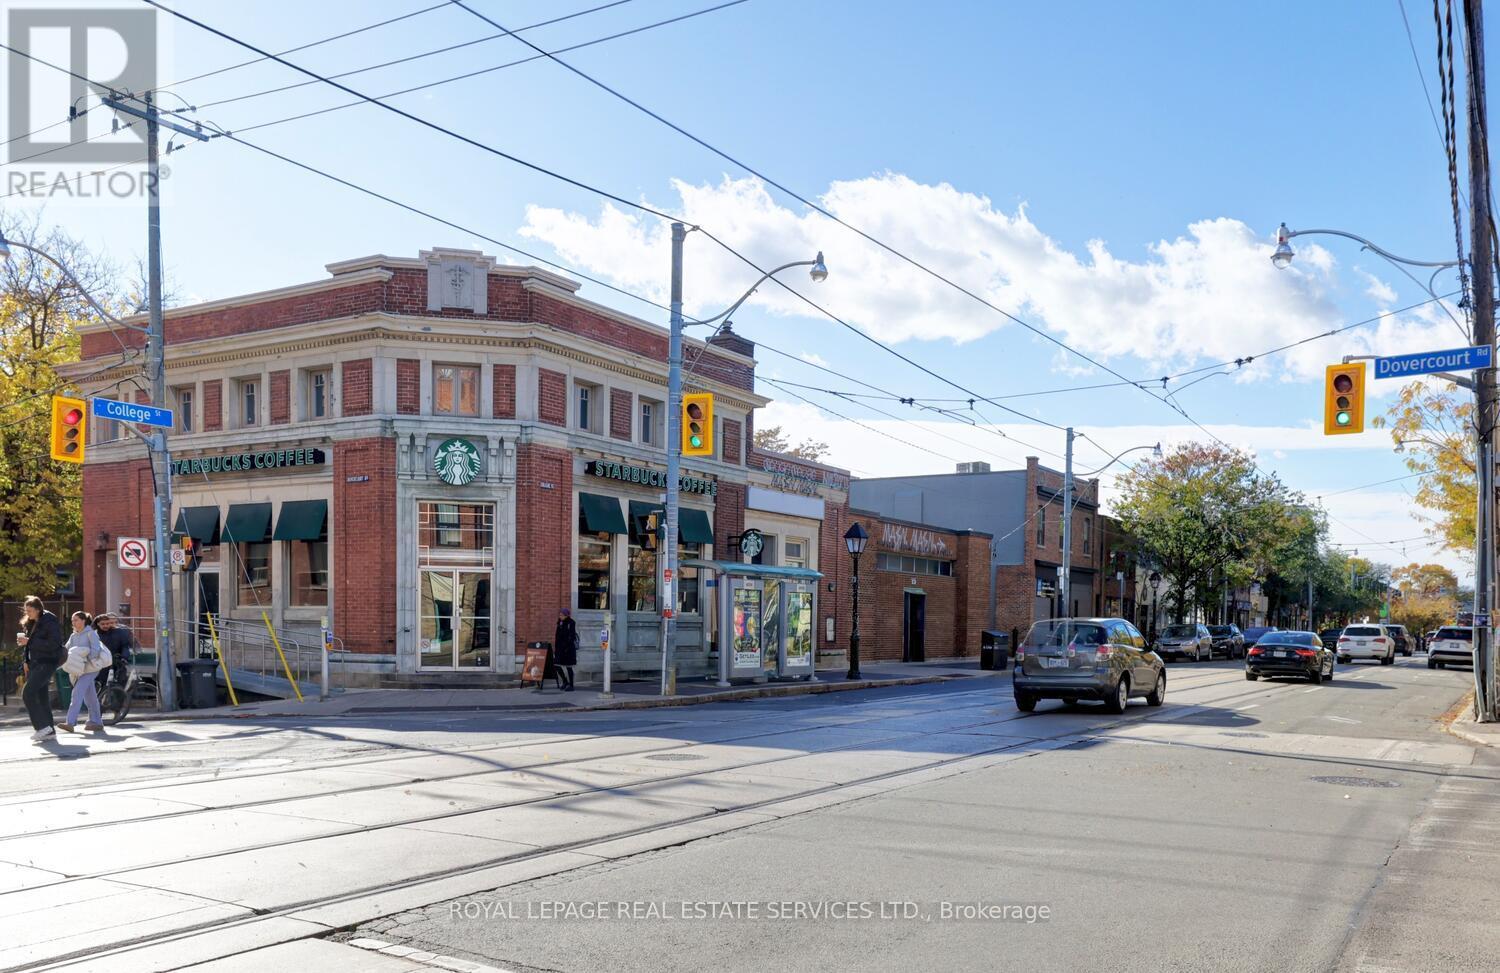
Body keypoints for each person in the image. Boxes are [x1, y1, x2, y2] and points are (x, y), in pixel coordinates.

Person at [17, 595, 65, 742]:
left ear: (38, 609)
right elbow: (29, 646)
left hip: (47, 662)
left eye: (30, 611)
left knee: (28, 693)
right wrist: (25, 661)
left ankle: (42, 727)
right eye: (26, 611)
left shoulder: (49, 620)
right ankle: (49, 731)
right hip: (35, 663)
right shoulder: (32, 622)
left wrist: (29, 641)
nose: (27, 613)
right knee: (42, 698)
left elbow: (54, 644)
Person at [60, 612, 106, 733]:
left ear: (83, 621)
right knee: (90, 696)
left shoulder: (91, 633)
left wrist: (84, 661)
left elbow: (96, 650)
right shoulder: (73, 636)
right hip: (79, 669)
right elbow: (66, 650)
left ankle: (70, 722)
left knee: (77, 693)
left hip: (91, 668)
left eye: (76, 620)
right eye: (72, 620)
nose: (73, 622)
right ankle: (96, 722)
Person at [95, 613, 135, 690]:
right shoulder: (94, 635)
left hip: (117, 662)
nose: (106, 626)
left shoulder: (119, 632)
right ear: (98, 624)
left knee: (119, 686)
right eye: (103, 624)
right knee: (101, 686)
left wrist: (124, 657)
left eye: (107, 624)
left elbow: (125, 646)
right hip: (102, 664)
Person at [553, 608, 578, 692]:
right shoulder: (560, 623)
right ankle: (565, 681)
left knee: (568, 667)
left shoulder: (571, 623)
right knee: (556, 665)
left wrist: (566, 647)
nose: (560, 616)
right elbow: (557, 636)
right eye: (559, 615)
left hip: (568, 649)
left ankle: (571, 685)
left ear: (566, 615)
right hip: (559, 648)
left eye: (562, 615)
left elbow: (572, 636)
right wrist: (556, 648)